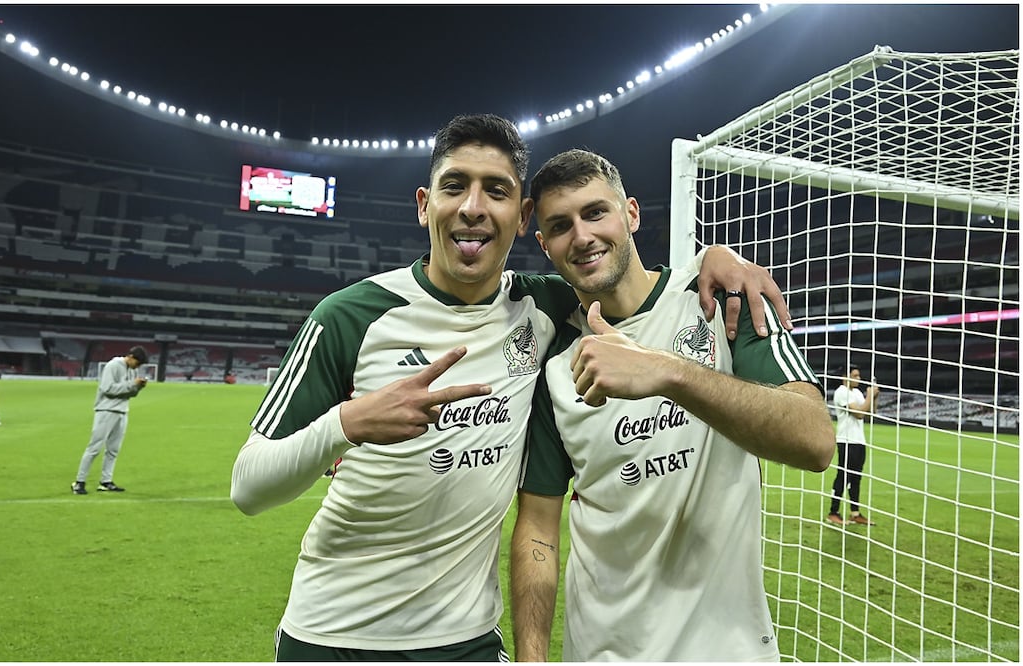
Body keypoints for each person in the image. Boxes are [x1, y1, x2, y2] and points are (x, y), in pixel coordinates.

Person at [230, 114, 793, 662]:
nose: (473, 207)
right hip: (335, 636)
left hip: (469, 640)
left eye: (495, 191)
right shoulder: (352, 317)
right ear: (426, 205)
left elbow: (626, 282)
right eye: (455, 186)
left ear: (522, 218)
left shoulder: (542, 308)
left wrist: (715, 259)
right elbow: (248, 486)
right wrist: (345, 426)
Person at [509, 149, 836, 661]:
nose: (582, 235)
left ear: (632, 214)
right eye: (560, 225)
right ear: (545, 245)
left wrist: (669, 372)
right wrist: (531, 658)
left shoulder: (722, 297)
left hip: (727, 650)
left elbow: (814, 440)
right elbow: (538, 526)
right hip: (601, 651)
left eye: (596, 212)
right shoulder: (555, 365)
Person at [70, 346, 149, 495]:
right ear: (130, 356)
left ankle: (106, 481)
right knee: (94, 448)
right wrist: (132, 384)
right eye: (137, 363)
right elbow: (108, 389)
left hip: (122, 411)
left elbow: (129, 394)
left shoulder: (133, 370)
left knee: (113, 450)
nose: (138, 367)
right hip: (106, 410)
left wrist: (138, 387)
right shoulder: (113, 365)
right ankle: (79, 482)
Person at [827, 366, 879, 526]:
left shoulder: (856, 393)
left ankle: (855, 513)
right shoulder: (842, 392)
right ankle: (833, 512)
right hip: (846, 440)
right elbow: (859, 413)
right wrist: (870, 395)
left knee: (856, 478)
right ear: (845, 377)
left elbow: (871, 412)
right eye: (855, 375)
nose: (859, 378)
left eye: (859, 375)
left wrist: (875, 397)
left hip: (859, 441)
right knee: (843, 476)